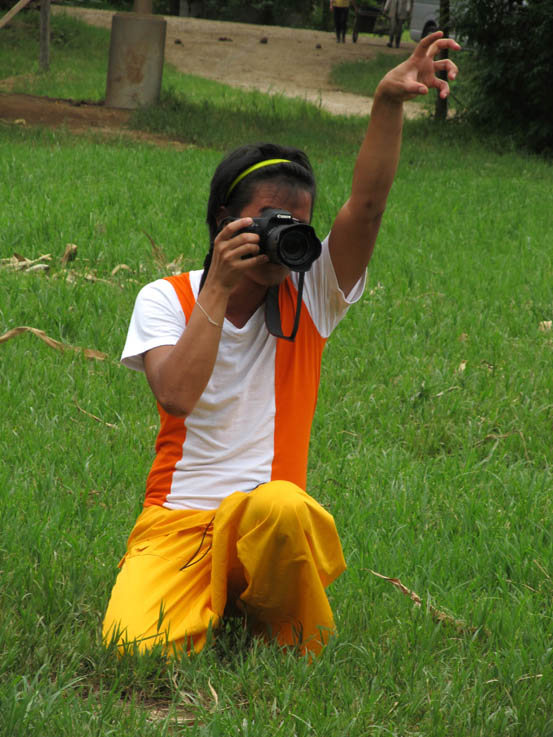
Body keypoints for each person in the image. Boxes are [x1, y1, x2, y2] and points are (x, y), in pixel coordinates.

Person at [102, 33, 460, 658]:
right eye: (269, 221)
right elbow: (177, 396)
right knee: (132, 647)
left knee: (285, 507)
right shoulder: (166, 298)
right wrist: (219, 287)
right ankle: (222, 598)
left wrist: (386, 103)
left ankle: (264, 610)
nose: (283, 240)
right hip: (177, 520)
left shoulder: (311, 294)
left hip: (269, 524)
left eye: (297, 227)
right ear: (224, 221)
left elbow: (367, 208)